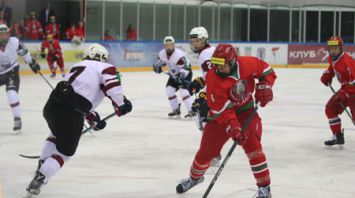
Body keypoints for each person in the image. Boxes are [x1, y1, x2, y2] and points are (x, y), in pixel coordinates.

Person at [26, 43, 133, 196]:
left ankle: (42, 165)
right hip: (71, 112)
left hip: (52, 106)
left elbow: (78, 96)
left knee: (55, 135)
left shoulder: (78, 65)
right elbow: (112, 87)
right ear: (102, 56)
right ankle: (40, 178)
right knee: (65, 153)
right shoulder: (105, 68)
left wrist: (92, 119)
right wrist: (121, 104)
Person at [176, 44, 276, 198]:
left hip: (245, 111)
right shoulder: (213, 78)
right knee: (205, 153)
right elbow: (222, 111)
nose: (218, 68)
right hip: (220, 118)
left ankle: (264, 189)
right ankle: (194, 178)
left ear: (232, 62)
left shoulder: (247, 64)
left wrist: (265, 85)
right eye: (216, 64)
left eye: (222, 65)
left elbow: (267, 70)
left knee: (253, 146)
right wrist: (234, 128)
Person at [188, 26, 221, 167]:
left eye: (197, 41)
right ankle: (214, 152)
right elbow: (214, 74)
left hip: (216, 92)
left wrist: (203, 96)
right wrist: (201, 81)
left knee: (202, 119)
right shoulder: (210, 51)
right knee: (206, 120)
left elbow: (214, 78)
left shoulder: (205, 54)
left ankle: (213, 154)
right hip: (218, 90)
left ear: (204, 40)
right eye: (192, 41)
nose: (194, 44)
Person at [0, 24, 41, 132]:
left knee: (11, 93)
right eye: (1, 35)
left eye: (6, 34)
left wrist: (32, 63)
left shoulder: (14, 42)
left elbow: (25, 52)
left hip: (11, 71)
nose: (4, 37)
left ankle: (17, 118)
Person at [321, 36, 355, 147]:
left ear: (340, 48)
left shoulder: (346, 62)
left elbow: (353, 83)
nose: (333, 50)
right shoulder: (332, 57)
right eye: (331, 47)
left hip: (352, 90)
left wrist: (344, 94)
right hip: (346, 89)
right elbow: (332, 67)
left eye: (336, 47)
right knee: (330, 108)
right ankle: (337, 136)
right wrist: (328, 74)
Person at [153, 36, 195, 118]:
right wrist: (157, 68)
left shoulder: (179, 55)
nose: (168, 47)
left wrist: (180, 75)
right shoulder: (162, 53)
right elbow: (160, 63)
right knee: (169, 90)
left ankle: (192, 110)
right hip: (174, 74)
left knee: (183, 92)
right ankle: (176, 109)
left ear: (173, 45)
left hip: (185, 74)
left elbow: (186, 67)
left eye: (170, 45)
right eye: (167, 45)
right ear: (164, 45)